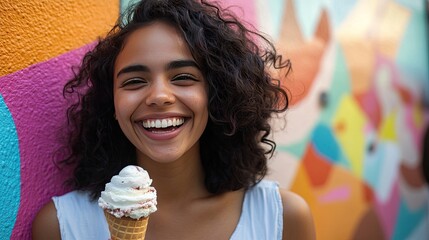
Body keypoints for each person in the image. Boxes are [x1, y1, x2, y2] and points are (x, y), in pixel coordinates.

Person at [32, 0, 316, 239]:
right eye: (134, 81)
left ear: (217, 94)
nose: (159, 96)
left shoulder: (282, 219)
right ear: (112, 105)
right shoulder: (61, 227)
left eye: (182, 77)